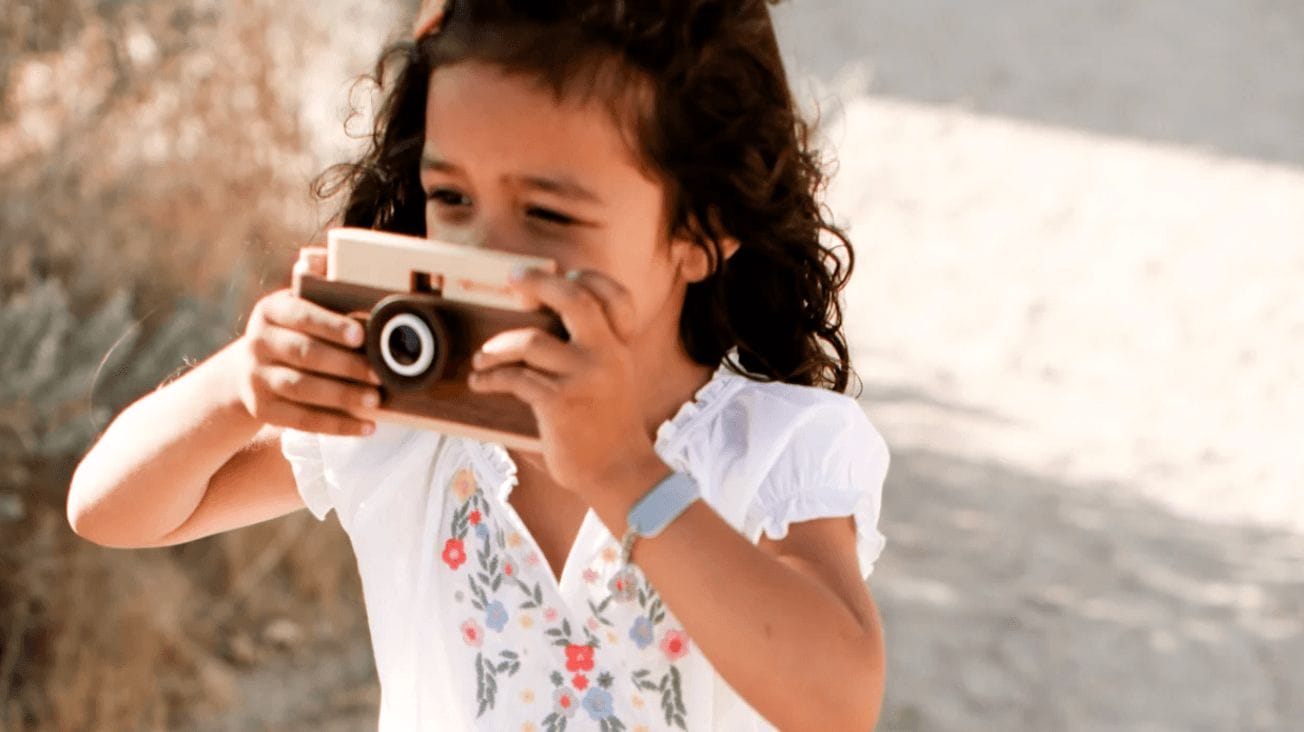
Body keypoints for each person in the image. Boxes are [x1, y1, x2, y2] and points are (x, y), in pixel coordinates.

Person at [67, 0, 890, 729]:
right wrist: (240, 385)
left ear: (702, 231)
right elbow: (112, 513)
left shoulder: (778, 448)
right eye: (452, 198)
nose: (484, 253)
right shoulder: (406, 422)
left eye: (547, 212)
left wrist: (624, 472)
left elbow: (836, 704)